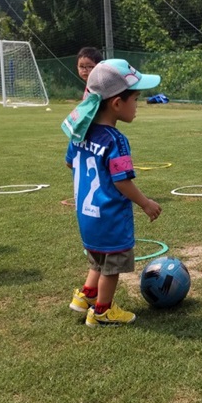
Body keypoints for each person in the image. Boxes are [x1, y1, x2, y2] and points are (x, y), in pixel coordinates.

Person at [64, 61, 163, 327]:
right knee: (112, 265)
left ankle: (85, 295)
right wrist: (146, 203)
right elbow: (122, 181)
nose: (137, 105)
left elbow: (70, 162)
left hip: (87, 215)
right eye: (135, 99)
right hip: (109, 215)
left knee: (97, 258)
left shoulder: (79, 132)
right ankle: (102, 311)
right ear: (117, 103)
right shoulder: (115, 140)